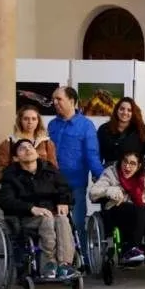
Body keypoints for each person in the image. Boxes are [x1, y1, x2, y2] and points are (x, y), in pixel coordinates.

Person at [0, 139, 77, 280]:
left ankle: (64, 264)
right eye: (22, 148)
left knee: (63, 219)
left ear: (36, 152)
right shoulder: (11, 176)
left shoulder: (50, 170)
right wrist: (31, 208)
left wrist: (64, 201)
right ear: (16, 157)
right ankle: (49, 263)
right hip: (26, 218)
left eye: (30, 146)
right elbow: (5, 200)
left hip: (52, 213)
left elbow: (65, 189)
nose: (27, 149)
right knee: (47, 219)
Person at [49, 86, 104, 256]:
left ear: (72, 101)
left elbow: (92, 155)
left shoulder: (86, 126)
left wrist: (102, 177)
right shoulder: (52, 125)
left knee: (78, 222)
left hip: (75, 185)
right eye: (54, 99)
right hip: (51, 185)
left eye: (59, 99)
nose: (55, 102)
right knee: (53, 224)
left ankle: (83, 259)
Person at [88, 150, 145, 263]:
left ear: (139, 165)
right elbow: (93, 192)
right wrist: (109, 190)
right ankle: (131, 248)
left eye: (132, 163)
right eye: (125, 162)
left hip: (142, 214)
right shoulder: (111, 173)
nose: (127, 166)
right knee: (140, 208)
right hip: (118, 211)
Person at [0, 105, 58, 181]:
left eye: (34, 119)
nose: (30, 122)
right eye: (26, 119)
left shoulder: (46, 142)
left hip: (42, 187)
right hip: (18, 187)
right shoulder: (8, 143)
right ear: (20, 120)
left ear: (38, 121)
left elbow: (54, 168)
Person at [97, 97, 145, 173]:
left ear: (134, 113)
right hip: (110, 176)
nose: (125, 112)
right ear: (117, 110)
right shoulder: (104, 129)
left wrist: (144, 174)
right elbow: (96, 155)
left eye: (129, 110)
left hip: (133, 177)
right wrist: (98, 173)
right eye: (122, 109)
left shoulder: (141, 131)